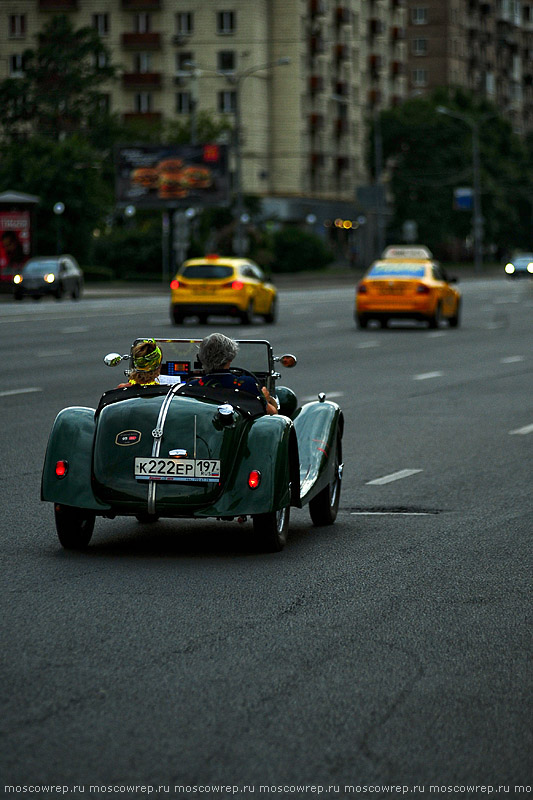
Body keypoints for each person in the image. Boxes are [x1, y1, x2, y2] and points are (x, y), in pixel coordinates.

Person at [197, 332, 278, 415]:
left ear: (200, 358)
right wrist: (264, 399)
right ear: (230, 358)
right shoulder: (247, 384)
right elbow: (272, 413)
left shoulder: (191, 387)